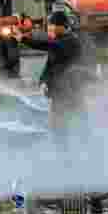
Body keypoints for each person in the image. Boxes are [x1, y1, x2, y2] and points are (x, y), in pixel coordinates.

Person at [13, 11, 95, 151]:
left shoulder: (69, 40)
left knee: (70, 122)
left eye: (51, 26)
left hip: (69, 90)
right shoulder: (60, 39)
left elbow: (48, 45)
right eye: (49, 26)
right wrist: (43, 81)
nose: (49, 29)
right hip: (61, 91)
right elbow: (51, 63)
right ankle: (68, 149)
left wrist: (23, 39)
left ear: (61, 26)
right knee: (63, 123)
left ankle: (76, 151)